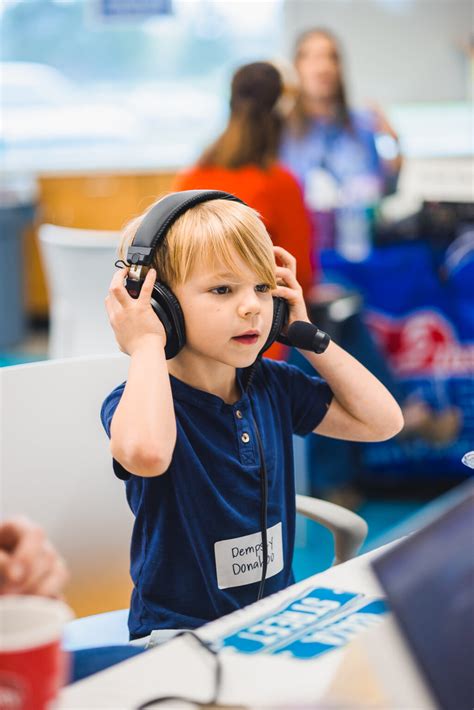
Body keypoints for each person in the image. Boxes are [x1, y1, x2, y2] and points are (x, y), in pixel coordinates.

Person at [102, 191, 403, 641]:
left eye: (263, 288)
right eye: (223, 289)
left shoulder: (274, 385)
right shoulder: (138, 401)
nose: (252, 307)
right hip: (177, 638)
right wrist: (147, 343)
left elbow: (383, 422)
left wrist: (307, 336)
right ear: (157, 303)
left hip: (277, 620)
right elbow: (147, 454)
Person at [173, 62, 314, 360]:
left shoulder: (189, 179)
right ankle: (394, 404)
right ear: (281, 113)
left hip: (192, 343)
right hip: (259, 339)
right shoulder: (279, 182)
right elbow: (302, 276)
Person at [280, 27, 402, 202]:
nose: (324, 67)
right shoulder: (279, 132)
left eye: (332, 57)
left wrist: (393, 143)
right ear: (296, 67)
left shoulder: (364, 125)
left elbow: (385, 191)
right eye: (313, 58)